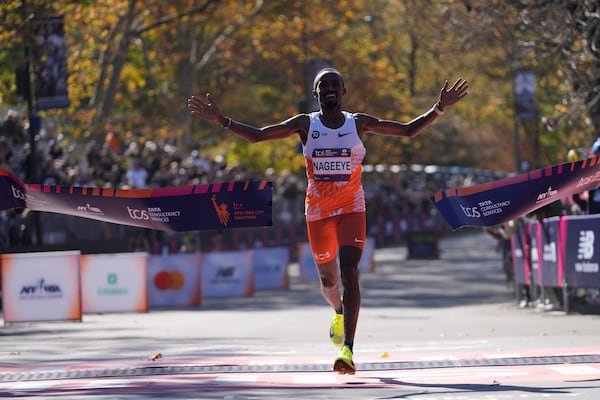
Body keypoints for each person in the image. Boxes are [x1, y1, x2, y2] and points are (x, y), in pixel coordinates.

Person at [188, 68, 469, 374]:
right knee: (328, 281)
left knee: (349, 273)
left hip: (352, 208)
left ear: (344, 91)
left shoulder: (357, 123)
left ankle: (347, 350)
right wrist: (222, 120)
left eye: (336, 84)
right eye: (324, 85)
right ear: (316, 93)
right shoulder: (304, 124)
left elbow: (407, 130)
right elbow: (258, 136)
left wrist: (438, 108)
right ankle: (338, 309)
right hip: (318, 212)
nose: (331, 89)